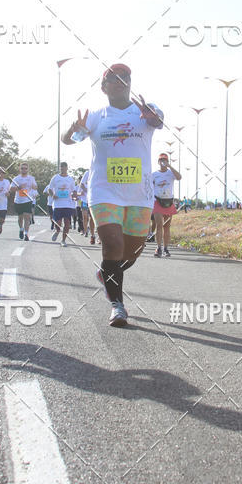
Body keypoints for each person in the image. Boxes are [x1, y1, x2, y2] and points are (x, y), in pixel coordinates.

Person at [62, 63, 163, 326]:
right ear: (103, 87)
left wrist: (154, 117)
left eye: (125, 77)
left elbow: (159, 121)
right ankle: (117, 305)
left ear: (131, 83)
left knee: (132, 251)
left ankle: (106, 273)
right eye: (114, 78)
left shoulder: (145, 110)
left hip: (139, 194)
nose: (121, 81)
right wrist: (72, 128)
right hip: (105, 190)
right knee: (113, 245)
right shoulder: (96, 116)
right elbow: (68, 140)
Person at [151, 153, 181, 258]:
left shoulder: (170, 173)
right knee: (159, 225)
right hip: (157, 201)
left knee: (167, 226)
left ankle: (166, 248)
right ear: (158, 162)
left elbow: (179, 177)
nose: (163, 161)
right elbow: (149, 187)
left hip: (168, 202)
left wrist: (170, 166)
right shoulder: (154, 174)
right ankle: (158, 247)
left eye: (165, 159)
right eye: (161, 160)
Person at [48, 162, 76, 246]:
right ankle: (57, 231)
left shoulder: (70, 179)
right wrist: (53, 195)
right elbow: (49, 189)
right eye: (61, 167)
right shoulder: (55, 178)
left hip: (68, 204)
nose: (62, 169)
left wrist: (74, 196)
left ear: (67, 168)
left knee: (67, 222)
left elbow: (73, 190)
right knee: (58, 223)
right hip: (58, 204)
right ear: (59, 168)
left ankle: (63, 240)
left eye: (64, 167)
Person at [10, 162, 38, 241]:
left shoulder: (31, 178)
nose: (24, 170)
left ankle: (26, 234)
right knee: (20, 217)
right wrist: (18, 188)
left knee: (27, 216)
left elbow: (35, 187)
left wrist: (34, 186)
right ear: (20, 169)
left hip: (27, 199)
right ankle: (21, 229)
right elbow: (11, 189)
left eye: (25, 168)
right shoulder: (16, 178)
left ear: (28, 169)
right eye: (22, 168)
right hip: (18, 200)